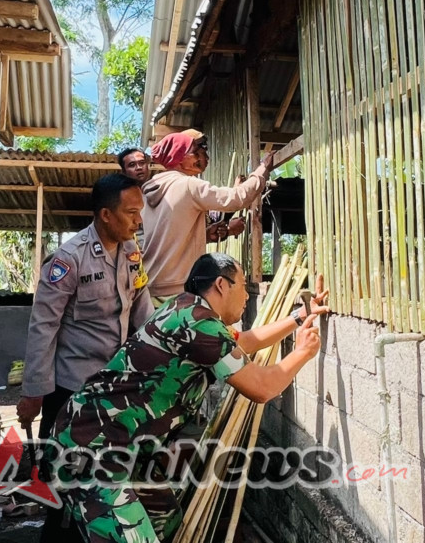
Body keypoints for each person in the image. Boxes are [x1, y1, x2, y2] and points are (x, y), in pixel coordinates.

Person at [37, 253, 329, 543]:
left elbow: (244, 342)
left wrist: (298, 316)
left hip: (121, 446)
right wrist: (303, 352)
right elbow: (262, 388)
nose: (247, 296)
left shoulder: (188, 310)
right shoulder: (198, 324)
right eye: (243, 285)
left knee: (165, 517)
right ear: (221, 285)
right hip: (92, 447)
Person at [17, 174, 154, 542]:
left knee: (108, 477)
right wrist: (34, 393)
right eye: (131, 213)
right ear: (106, 214)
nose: (138, 221)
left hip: (115, 388)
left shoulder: (132, 254)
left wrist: (153, 364)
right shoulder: (68, 259)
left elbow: (142, 311)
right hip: (71, 392)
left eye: (139, 212)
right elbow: (42, 327)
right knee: (61, 483)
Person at [142, 132, 274, 305]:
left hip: (151, 290)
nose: (204, 155)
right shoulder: (187, 185)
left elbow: (168, 236)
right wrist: (262, 170)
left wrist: (204, 235)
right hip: (177, 291)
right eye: (197, 151)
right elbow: (236, 198)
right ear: (180, 158)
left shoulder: (150, 190)